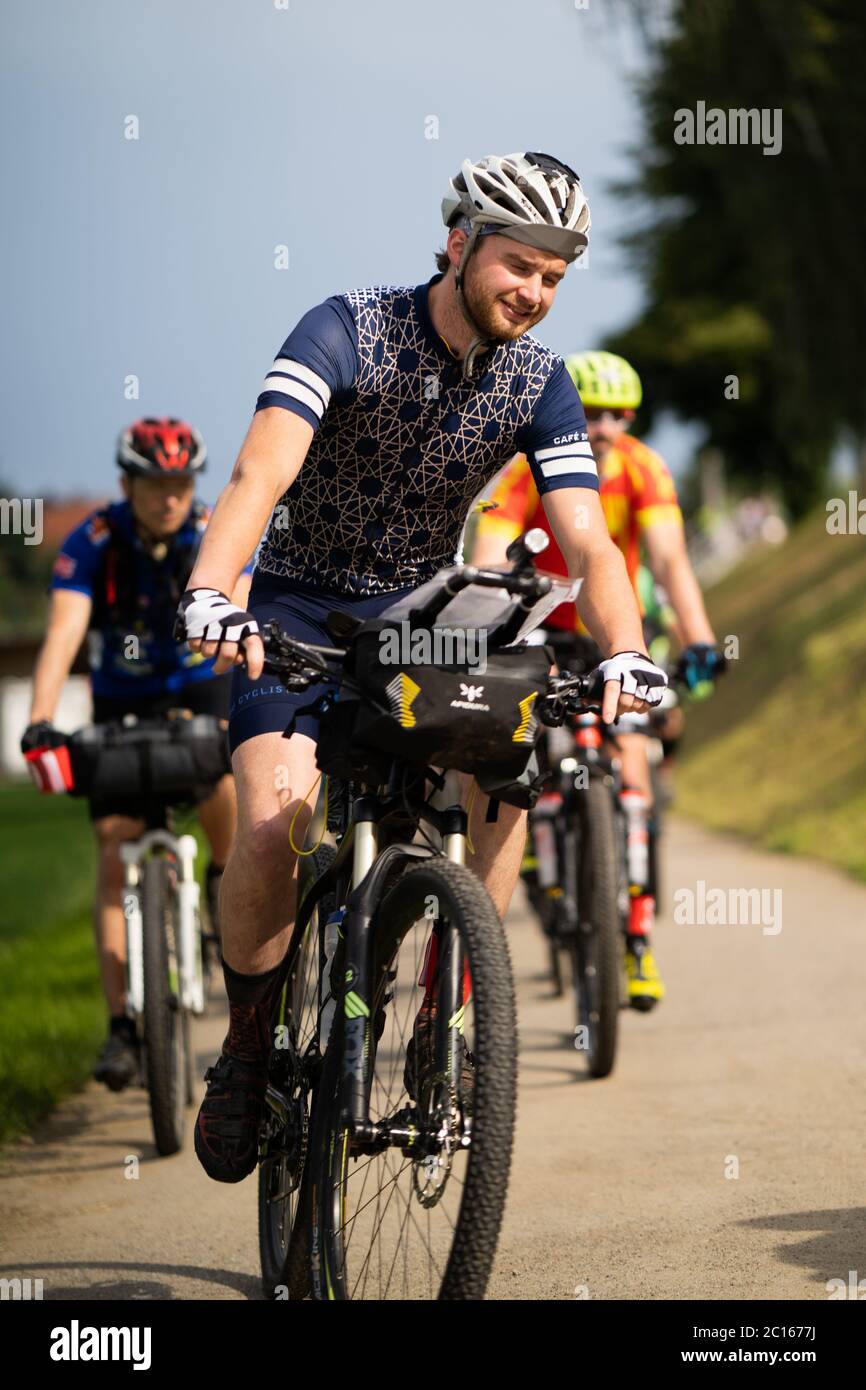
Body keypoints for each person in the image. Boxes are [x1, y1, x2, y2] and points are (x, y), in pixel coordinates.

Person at [173, 151, 668, 1184]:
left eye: (552, 277)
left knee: (507, 767)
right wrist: (213, 591)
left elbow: (589, 544)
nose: (530, 293)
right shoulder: (346, 327)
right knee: (271, 828)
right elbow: (258, 473)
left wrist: (627, 652)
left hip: (419, 616)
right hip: (296, 608)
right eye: (516, 264)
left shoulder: (539, 381)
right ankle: (251, 1046)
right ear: (458, 244)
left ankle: (448, 1007)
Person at [472, 351, 722, 1007]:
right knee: (523, 744)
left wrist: (697, 638)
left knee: (633, 773)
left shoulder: (644, 468)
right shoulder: (528, 468)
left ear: (630, 418)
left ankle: (636, 939)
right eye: (588, 411)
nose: (602, 425)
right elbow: (488, 552)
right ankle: (533, 835)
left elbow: (669, 560)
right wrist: (482, 625)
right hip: (539, 626)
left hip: (611, 629)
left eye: (616, 413)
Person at [21, 418, 249, 1090]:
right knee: (114, 853)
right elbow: (64, 631)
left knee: (226, 796)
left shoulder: (213, 527)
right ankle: (121, 1027)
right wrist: (39, 721)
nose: (169, 496)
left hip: (201, 688)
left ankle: (220, 892)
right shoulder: (94, 541)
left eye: (180, 482)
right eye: (155, 484)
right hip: (121, 701)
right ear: (127, 485)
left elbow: (238, 604)